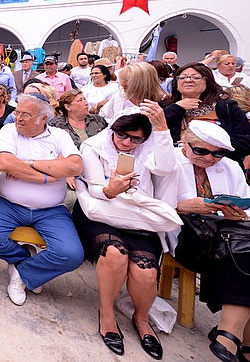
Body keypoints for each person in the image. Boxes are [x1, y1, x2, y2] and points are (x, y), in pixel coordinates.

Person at [76, 105, 176, 358]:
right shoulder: (94, 147)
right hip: (102, 213)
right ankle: (107, 314)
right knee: (114, 254)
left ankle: (142, 319)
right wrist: (111, 190)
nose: (127, 142)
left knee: (146, 272)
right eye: (122, 135)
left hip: (140, 218)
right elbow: (93, 187)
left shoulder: (150, 149)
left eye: (135, 139)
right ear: (113, 130)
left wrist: (162, 129)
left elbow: (166, 168)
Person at [0, 94, 84, 306]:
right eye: (17, 112)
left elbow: (75, 166)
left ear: (43, 118)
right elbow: (5, 162)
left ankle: (23, 273)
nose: (18, 118)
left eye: (26, 114)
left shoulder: (59, 136)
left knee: (71, 254)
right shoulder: (9, 131)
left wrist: (28, 163)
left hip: (51, 209)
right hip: (8, 203)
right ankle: (24, 257)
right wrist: (47, 176)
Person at [168, 121, 250, 362]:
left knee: (245, 250)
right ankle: (240, 339)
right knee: (245, 252)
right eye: (201, 151)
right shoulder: (168, 161)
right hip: (186, 236)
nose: (209, 158)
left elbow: (249, 207)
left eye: (218, 153)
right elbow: (146, 201)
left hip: (227, 235)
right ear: (184, 143)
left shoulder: (230, 166)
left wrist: (240, 214)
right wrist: (181, 206)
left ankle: (234, 336)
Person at [165, 63, 250, 164]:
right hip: (177, 165)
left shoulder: (226, 107)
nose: (188, 80)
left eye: (196, 77)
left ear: (207, 81)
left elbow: (248, 142)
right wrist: (176, 108)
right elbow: (154, 134)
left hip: (219, 166)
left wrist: (208, 146)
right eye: (182, 77)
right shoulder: (165, 107)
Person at [100, 62, 167, 122]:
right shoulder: (119, 97)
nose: (122, 83)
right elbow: (104, 116)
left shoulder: (163, 101)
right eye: (122, 79)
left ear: (143, 82)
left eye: (127, 80)